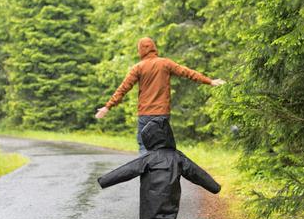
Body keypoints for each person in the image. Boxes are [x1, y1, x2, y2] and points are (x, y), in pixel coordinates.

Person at [97, 117, 220, 219]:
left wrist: (104, 180)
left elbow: (127, 170)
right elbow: (197, 173)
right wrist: (214, 187)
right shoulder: (178, 157)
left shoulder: (148, 158)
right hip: (170, 199)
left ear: (151, 139)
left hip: (149, 200)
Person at [95, 37, 225, 154]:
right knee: (162, 147)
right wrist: (210, 81)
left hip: (145, 114)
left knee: (144, 146)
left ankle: (147, 176)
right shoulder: (165, 63)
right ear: (153, 48)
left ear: (140, 50)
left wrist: (107, 107)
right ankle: (162, 176)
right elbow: (187, 72)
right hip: (162, 114)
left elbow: (123, 89)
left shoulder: (138, 67)